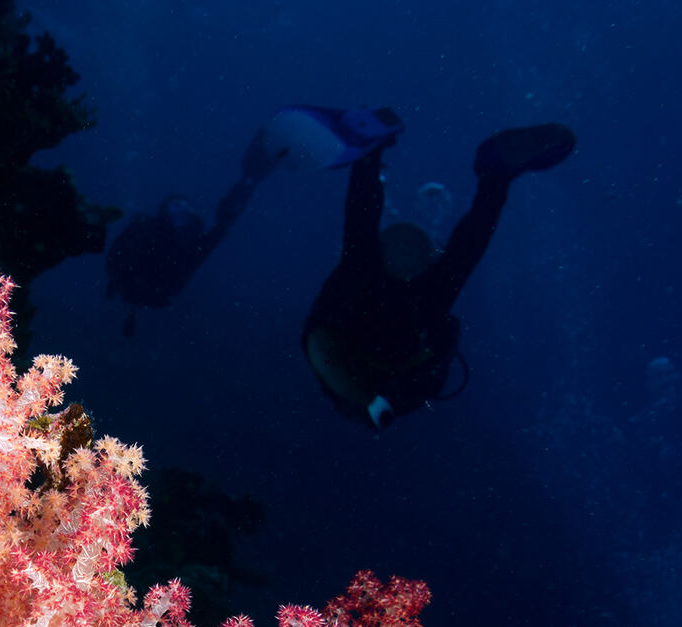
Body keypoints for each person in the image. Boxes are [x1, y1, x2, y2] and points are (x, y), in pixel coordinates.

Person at [302, 122, 577, 428]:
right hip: (392, 308)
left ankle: (493, 177)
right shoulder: (371, 378)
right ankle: (373, 156)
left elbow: (321, 331)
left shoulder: (371, 380)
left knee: (454, 258)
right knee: (365, 242)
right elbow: (321, 328)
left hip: (398, 310)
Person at [105, 106, 406, 335]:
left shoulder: (192, 245)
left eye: (184, 208)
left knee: (236, 201)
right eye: (175, 210)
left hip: (158, 291)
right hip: (143, 289)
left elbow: (220, 230)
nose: (182, 214)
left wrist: (251, 181)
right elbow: (213, 234)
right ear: (163, 215)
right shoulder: (148, 234)